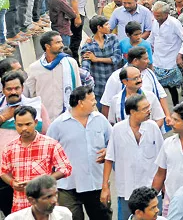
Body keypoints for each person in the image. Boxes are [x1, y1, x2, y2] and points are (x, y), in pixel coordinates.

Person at [46, 86, 112, 219]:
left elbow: (113, 142)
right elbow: (47, 153)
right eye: (92, 100)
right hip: (68, 186)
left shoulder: (100, 119)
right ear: (80, 103)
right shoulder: (58, 125)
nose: (95, 102)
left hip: (96, 184)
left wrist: (108, 151)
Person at [102, 93, 164, 220]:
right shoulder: (118, 130)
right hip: (127, 190)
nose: (149, 111)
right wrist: (105, 187)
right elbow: (109, 159)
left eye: (149, 107)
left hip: (151, 190)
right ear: (132, 112)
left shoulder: (153, 127)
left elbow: (163, 159)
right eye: (144, 109)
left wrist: (163, 184)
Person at [1, 106, 72, 212]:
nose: (24, 128)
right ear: (15, 124)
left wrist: (44, 181)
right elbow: (3, 172)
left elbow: (66, 168)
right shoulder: (9, 148)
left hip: (45, 205)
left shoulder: (50, 144)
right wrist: (12, 183)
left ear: (35, 122)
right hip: (20, 205)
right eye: (20, 125)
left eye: (28, 124)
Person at [24, 31, 81, 118]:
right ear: (47, 46)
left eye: (61, 42)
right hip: (45, 116)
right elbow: (31, 93)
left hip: (68, 114)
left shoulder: (70, 63)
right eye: (58, 42)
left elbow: (78, 87)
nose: (62, 45)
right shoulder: (35, 67)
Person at [148, 2, 183, 105]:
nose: (155, 17)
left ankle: (176, 107)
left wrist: (180, 55)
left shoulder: (174, 23)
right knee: (157, 88)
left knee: (172, 88)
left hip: (170, 60)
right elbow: (152, 38)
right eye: (154, 14)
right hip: (157, 59)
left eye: (158, 15)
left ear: (166, 14)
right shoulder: (155, 22)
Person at [80, 15, 123, 104]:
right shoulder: (88, 46)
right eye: (106, 24)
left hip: (115, 86)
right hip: (98, 89)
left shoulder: (113, 39)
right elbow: (85, 68)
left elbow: (117, 58)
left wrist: (96, 59)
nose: (109, 26)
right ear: (99, 28)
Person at [5, 175, 72, 220]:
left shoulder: (64, 214)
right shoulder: (14, 219)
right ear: (31, 200)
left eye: (56, 194)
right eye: (48, 197)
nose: (54, 200)